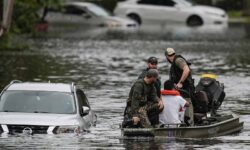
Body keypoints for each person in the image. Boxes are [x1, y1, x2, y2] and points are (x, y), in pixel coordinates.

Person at [165, 48, 195, 125]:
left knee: (187, 105)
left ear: (166, 56)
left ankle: (190, 125)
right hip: (179, 90)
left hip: (186, 89)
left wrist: (180, 82)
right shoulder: (174, 62)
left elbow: (186, 70)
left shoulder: (178, 60)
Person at [138, 57, 163, 125]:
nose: (154, 65)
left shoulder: (156, 74)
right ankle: (152, 126)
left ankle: (155, 125)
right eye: (152, 63)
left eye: (155, 63)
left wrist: (160, 100)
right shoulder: (144, 75)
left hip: (155, 99)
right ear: (148, 64)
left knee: (158, 108)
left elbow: (158, 90)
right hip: (147, 101)